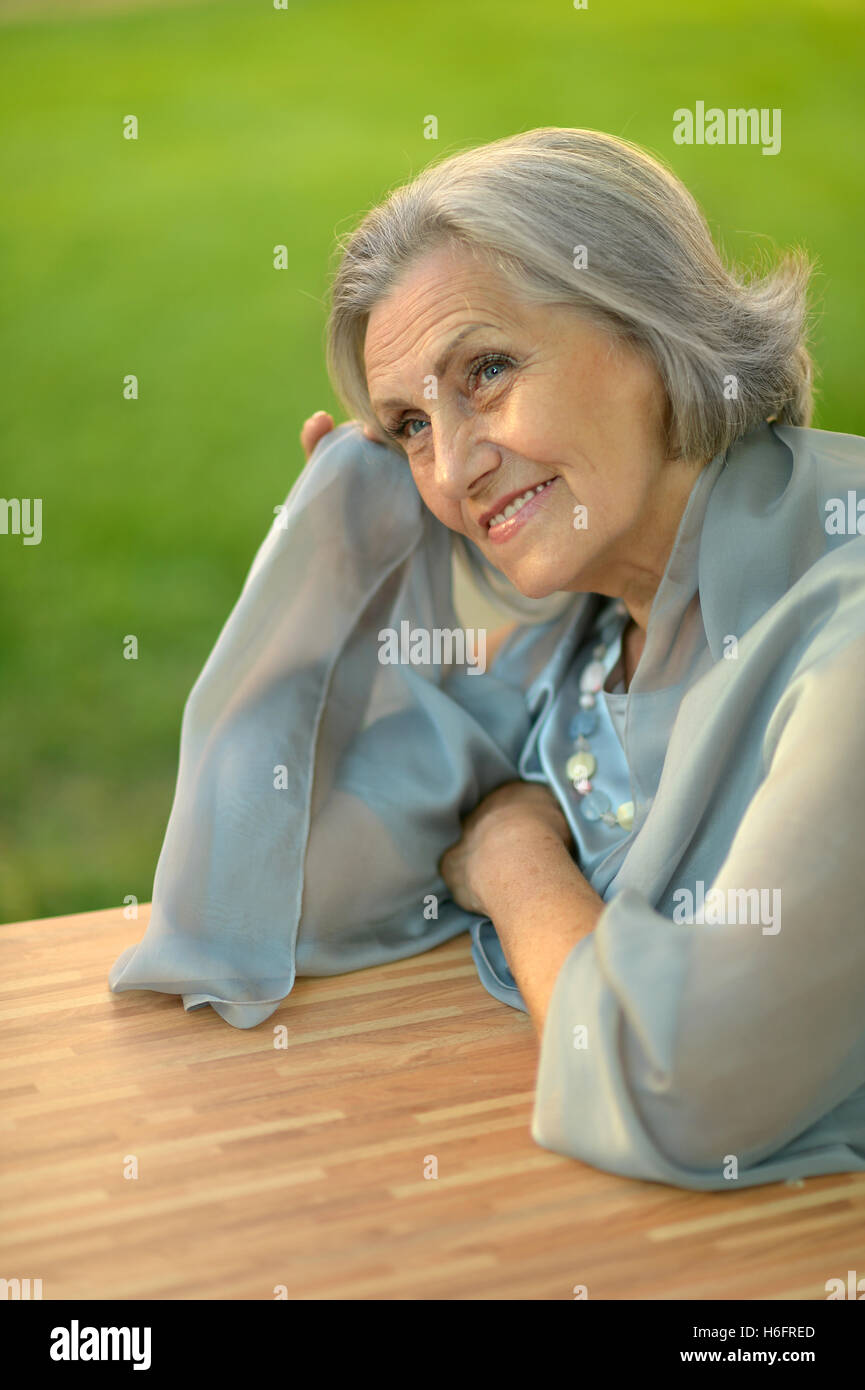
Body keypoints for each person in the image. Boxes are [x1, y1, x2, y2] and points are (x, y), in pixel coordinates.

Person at [110, 128, 865, 1191]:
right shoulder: (591, 642)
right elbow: (286, 899)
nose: (454, 467)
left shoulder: (846, 633)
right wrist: (335, 562)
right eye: (410, 426)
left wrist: (514, 861)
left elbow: (677, 1089)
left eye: (488, 372)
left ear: (652, 325)